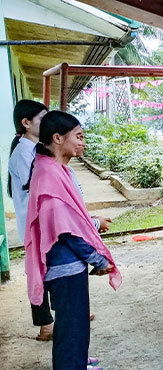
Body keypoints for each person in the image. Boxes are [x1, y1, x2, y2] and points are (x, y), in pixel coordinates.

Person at [24, 111, 121, 370]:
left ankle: (76, 364)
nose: (83, 142)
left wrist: (93, 224)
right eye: (78, 136)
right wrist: (97, 258)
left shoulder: (53, 168)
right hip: (64, 267)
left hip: (68, 266)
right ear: (57, 138)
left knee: (75, 326)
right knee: (71, 328)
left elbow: (70, 215)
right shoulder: (48, 174)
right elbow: (64, 229)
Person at [7, 100, 53, 341]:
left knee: (53, 268)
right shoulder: (23, 153)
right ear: (26, 123)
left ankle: (65, 311)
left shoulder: (33, 149)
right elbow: (39, 187)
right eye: (41, 119)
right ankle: (45, 325)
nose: (46, 124)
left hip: (43, 222)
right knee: (38, 273)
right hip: (35, 224)